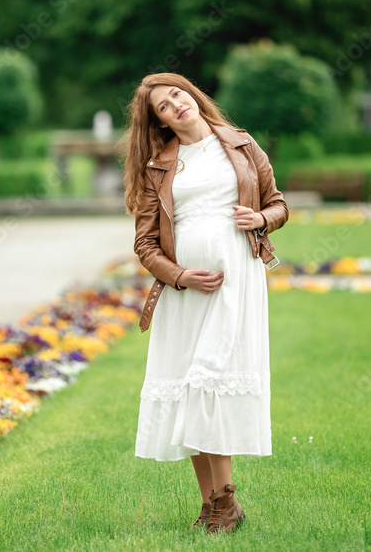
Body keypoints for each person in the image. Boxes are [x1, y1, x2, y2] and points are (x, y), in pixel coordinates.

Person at [122, 72, 289, 534]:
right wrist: (180, 276)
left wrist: (259, 217)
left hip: (237, 282)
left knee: (208, 382)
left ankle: (226, 501)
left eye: (177, 94)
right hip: (185, 294)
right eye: (163, 106)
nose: (175, 104)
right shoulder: (159, 166)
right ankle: (213, 505)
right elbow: (146, 245)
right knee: (187, 389)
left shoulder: (240, 144)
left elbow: (278, 205)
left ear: (191, 95)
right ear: (159, 123)